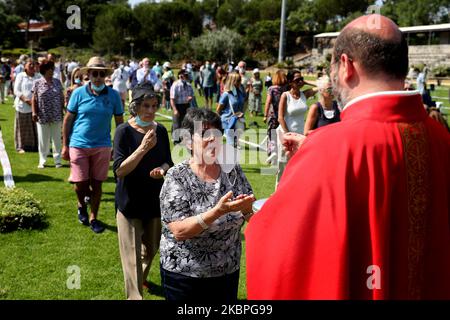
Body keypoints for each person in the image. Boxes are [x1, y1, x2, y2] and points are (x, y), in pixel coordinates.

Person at [245, 14, 450, 299]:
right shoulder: (442, 139)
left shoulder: (327, 148)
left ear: (346, 66)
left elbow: (282, 249)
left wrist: (257, 217)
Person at [159, 108, 255, 301]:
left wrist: (246, 210)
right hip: (185, 274)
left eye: (217, 134)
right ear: (188, 141)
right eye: (204, 134)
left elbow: (250, 213)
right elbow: (179, 230)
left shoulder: (231, 169)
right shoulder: (177, 176)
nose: (213, 139)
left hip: (227, 270)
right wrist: (217, 212)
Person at [113, 83, 173, 300]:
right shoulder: (123, 131)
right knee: (131, 258)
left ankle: (139, 280)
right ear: (135, 107)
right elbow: (120, 170)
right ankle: (134, 296)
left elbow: (169, 161)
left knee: (151, 249)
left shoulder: (161, 130)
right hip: (129, 203)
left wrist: (162, 169)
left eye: (154, 106)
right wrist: (143, 148)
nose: (150, 111)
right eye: (146, 106)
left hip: (155, 201)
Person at [62, 56, 124, 234]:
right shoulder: (78, 93)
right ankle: (81, 204)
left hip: (102, 145)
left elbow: (120, 123)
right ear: (88, 74)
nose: (97, 77)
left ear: (105, 75)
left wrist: (116, 146)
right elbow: (68, 120)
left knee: (97, 184)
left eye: (101, 74)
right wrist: (65, 145)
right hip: (78, 144)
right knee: (80, 183)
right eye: (94, 73)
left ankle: (93, 217)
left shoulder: (113, 96)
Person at [276, 69, 316, 187]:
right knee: (283, 166)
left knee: (298, 166)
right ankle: (278, 192)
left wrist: (306, 81)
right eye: (297, 80)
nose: (300, 82)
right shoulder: (286, 95)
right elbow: (280, 118)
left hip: (300, 136)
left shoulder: (305, 94)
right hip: (285, 134)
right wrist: (288, 135)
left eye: (301, 79)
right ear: (290, 82)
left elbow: (320, 86)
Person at [31, 59, 65, 169]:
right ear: (44, 70)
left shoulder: (57, 82)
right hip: (42, 115)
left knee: (56, 139)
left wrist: (62, 110)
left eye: (52, 68)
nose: (52, 70)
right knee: (43, 140)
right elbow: (34, 99)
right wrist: (34, 112)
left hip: (56, 114)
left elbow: (61, 97)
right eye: (50, 68)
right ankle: (42, 160)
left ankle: (58, 160)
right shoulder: (37, 83)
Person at [14, 59, 41, 153]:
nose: (32, 66)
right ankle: (21, 147)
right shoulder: (21, 76)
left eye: (33, 64)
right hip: (23, 106)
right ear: (25, 66)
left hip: (36, 106)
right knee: (22, 128)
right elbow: (16, 90)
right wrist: (26, 100)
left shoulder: (38, 76)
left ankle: (35, 146)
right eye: (30, 64)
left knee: (36, 128)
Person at [263, 70, 287, 164]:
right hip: (283, 116)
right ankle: (277, 153)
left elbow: (268, 102)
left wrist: (265, 115)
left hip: (272, 116)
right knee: (280, 135)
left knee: (271, 134)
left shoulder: (271, 89)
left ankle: (272, 153)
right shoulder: (285, 89)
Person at [217, 72, 246, 148]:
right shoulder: (226, 94)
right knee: (231, 144)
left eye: (240, 80)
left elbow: (243, 103)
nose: (240, 82)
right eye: (238, 80)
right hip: (228, 121)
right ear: (232, 81)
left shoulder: (240, 92)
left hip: (238, 120)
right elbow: (218, 109)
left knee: (236, 144)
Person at [170, 69, 194, 144]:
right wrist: (175, 110)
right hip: (177, 105)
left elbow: (191, 95)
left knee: (185, 123)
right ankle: (176, 141)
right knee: (176, 123)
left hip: (186, 106)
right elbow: (172, 98)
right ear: (180, 76)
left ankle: (184, 138)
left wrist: (190, 97)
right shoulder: (176, 85)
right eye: (184, 75)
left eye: (187, 75)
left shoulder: (189, 85)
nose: (186, 77)